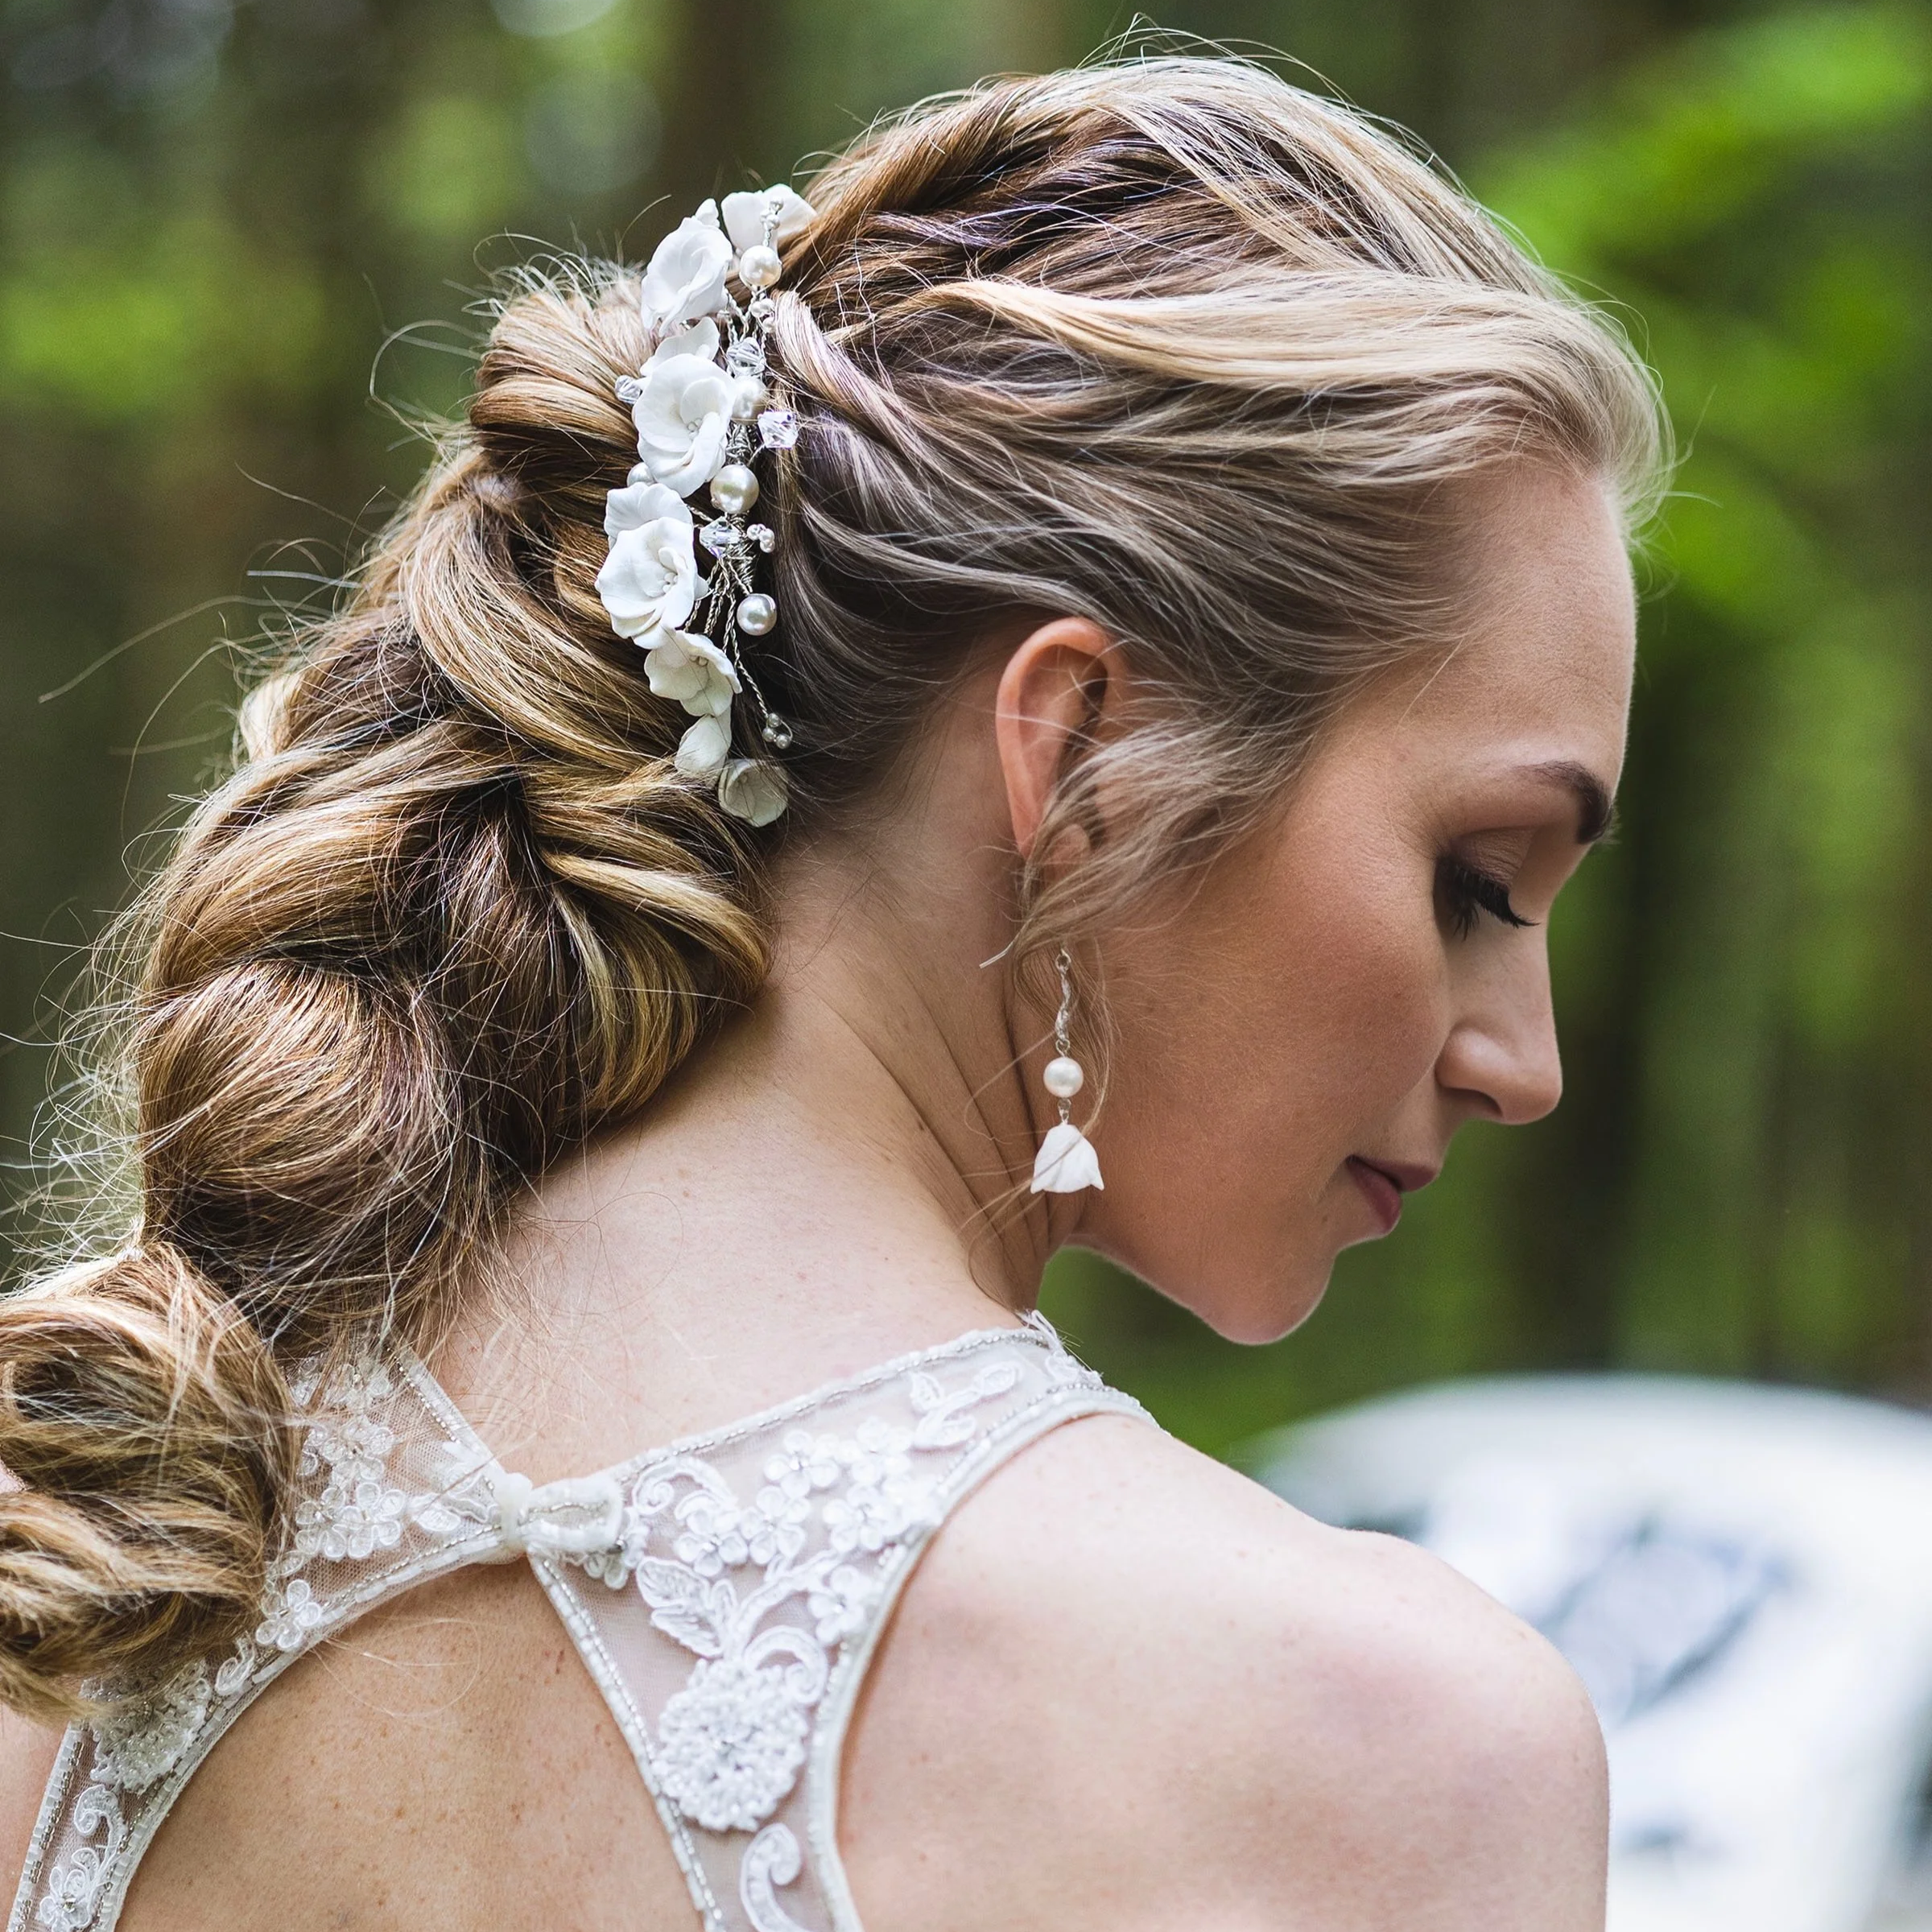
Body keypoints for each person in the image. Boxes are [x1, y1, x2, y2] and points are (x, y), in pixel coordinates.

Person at [0, 54, 1662, 1932]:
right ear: (1082, 758)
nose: (1522, 1063)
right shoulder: (1374, 1754)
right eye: (1476, 882)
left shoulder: (92, 1557)